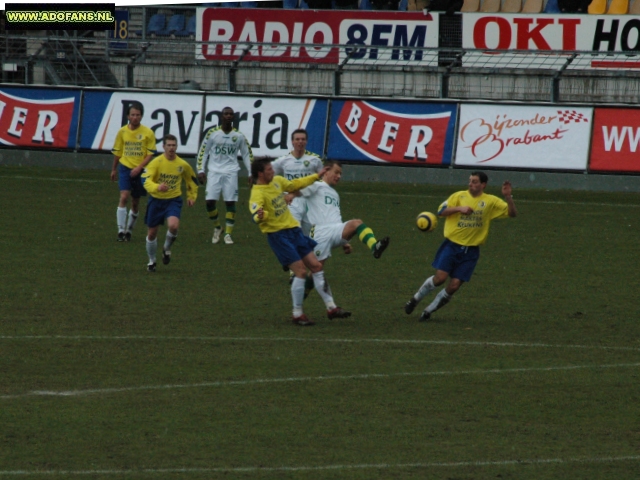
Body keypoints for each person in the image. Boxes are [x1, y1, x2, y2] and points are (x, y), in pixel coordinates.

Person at [249, 157, 351, 326]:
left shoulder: (277, 181)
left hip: (294, 231)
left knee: (317, 267)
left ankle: (331, 307)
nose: (273, 171)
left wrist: (316, 176)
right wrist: (261, 215)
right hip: (278, 236)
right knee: (301, 272)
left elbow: (296, 184)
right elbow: (255, 214)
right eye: (269, 170)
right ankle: (297, 313)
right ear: (260, 174)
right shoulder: (257, 193)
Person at [404, 171, 517, 321]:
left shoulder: (490, 201)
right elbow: (441, 211)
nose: (471, 184)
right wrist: (459, 209)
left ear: (483, 185)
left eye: (475, 181)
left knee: (454, 285)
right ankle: (415, 299)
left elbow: (512, 213)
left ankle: (428, 311)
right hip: (452, 246)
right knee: (440, 278)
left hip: (471, 251)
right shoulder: (458, 196)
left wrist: (508, 197)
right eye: (470, 181)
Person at [299, 160, 390, 297]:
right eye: (336, 172)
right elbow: (296, 190)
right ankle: (300, 298)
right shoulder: (315, 186)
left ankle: (374, 247)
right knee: (316, 271)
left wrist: (345, 242)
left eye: (340, 174)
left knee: (356, 223)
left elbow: (336, 218)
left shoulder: (335, 194)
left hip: (335, 229)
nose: (339, 176)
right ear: (326, 171)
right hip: (319, 233)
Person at [196, 106, 253, 245]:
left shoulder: (238, 136)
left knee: (230, 202)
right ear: (221, 117)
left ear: (233, 117)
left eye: (231, 114)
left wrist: (251, 172)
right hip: (214, 171)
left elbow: (247, 154)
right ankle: (217, 227)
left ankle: (228, 234)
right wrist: (200, 170)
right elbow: (204, 152)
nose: (228, 116)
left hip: (231, 172)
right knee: (209, 202)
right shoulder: (212, 133)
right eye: (226, 114)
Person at [141, 134, 198, 272]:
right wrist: (157, 187)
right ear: (164, 146)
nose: (171, 148)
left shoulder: (182, 164)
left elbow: (191, 180)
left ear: (176, 146)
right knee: (152, 234)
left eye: (174, 145)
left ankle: (166, 248)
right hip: (156, 200)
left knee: (173, 226)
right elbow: (144, 179)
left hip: (173, 200)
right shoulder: (156, 163)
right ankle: (152, 261)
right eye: (169, 145)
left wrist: (192, 196)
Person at [110, 101, 157, 242]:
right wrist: (114, 169)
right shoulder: (122, 132)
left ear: (141, 116)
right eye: (132, 115)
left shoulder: (148, 133)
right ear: (128, 116)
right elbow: (118, 151)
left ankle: (129, 230)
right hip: (125, 168)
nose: (135, 117)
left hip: (141, 171)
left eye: (138, 115)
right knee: (124, 197)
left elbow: (150, 153)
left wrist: (139, 167)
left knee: (135, 202)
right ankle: (120, 230)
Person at [271, 128, 324, 236]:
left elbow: (323, 180)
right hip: (291, 201)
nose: (300, 142)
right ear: (292, 142)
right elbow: (269, 175)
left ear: (306, 142)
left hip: (310, 201)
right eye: (297, 139)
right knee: (293, 231)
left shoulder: (315, 160)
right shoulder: (283, 160)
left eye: (303, 139)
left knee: (309, 236)